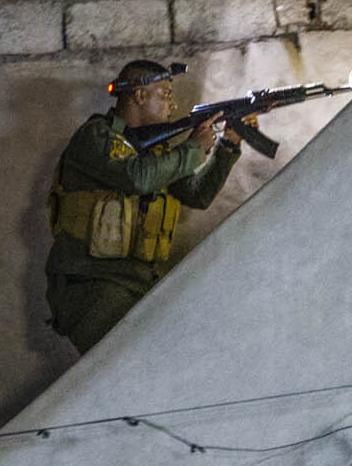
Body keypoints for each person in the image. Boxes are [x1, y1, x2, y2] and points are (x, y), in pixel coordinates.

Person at [44, 60, 245, 353]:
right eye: (164, 95)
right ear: (139, 95)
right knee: (131, 370)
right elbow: (136, 177)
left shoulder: (155, 153)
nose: (172, 105)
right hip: (92, 286)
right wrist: (193, 148)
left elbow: (197, 196)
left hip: (138, 287)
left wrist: (229, 145)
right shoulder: (96, 137)